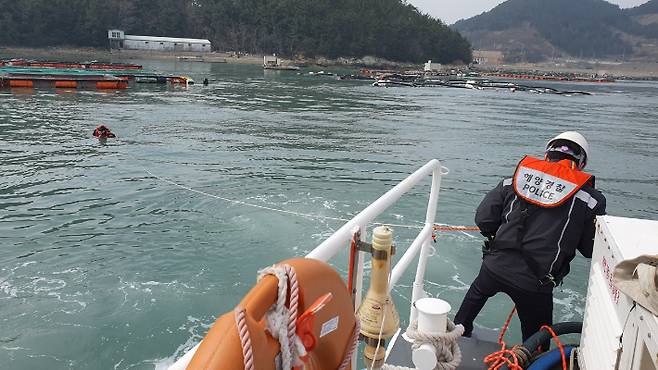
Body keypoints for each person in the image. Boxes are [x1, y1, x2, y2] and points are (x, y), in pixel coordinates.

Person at [453, 131, 606, 343]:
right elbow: (590, 249)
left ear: (546, 155)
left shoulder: (514, 179)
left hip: (494, 266)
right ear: (581, 164)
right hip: (535, 283)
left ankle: (454, 338)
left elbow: (484, 219)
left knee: (473, 301)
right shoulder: (590, 200)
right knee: (536, 343)